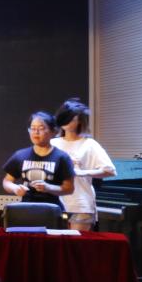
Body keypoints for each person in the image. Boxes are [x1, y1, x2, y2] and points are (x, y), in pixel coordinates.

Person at [52, 99, 116, 231]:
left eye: (71, 119)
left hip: (80, 204)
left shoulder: (89, 144)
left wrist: (82, 172)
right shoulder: (52, 143)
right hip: (54, 203)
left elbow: (110, 170)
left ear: (80, 121)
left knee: (77, 243)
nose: (67, 122)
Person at [2, 112, 74, 207]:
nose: (36, 132)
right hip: (26, 208)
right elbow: (7, 182)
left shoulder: (61, 157)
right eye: (32, 128)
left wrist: (49, 188)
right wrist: (15, 188)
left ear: (53, 131)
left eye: (41, 128)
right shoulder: (20, 155)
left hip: (52, 209)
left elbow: (69, 188)